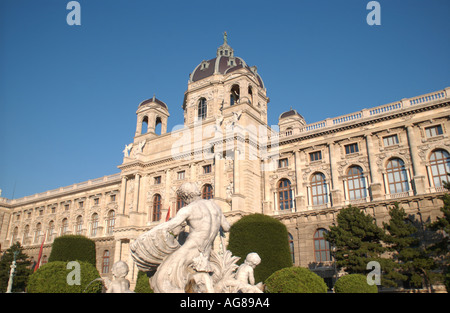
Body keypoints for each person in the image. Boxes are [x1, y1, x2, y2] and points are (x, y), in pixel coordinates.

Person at [131, 182, 231, 293]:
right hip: (205, 255)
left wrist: (146, 235)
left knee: (161, 279)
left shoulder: (188, 209)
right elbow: (226, 227)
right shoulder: (215, 206)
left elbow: (169, 225)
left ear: (186, 197)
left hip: (190, 249)